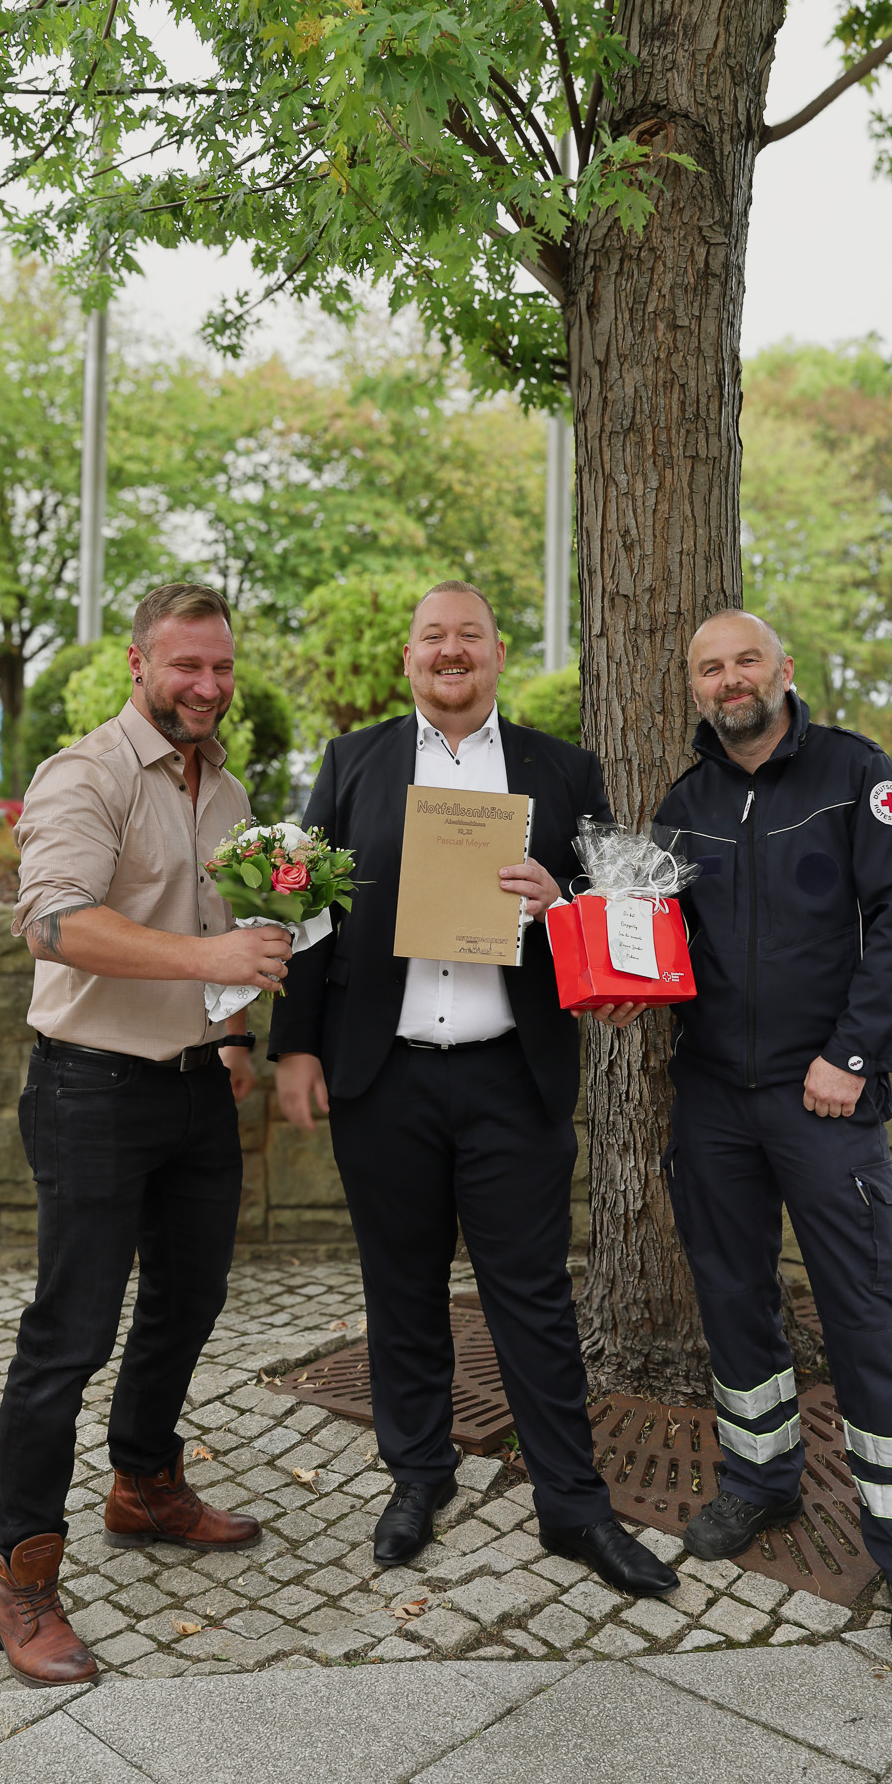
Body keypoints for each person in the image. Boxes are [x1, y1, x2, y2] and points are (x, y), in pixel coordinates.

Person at [270, 580, 678, 1598]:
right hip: (385, 1073)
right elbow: (308, 911)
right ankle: (417, 1475)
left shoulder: (563, 767)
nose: (450, 652)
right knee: (401, 1290)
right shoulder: (351, 762)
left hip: (512, 1072)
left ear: (499, 653)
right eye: (431, 638)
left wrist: (566, 900)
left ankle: (574, 1506)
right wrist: (295, 1047)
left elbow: (615, 904)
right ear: (407, 659)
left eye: (469, 637)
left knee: (532, 1298)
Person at [0, 582, 293, 1687]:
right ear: (138, 664)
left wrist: (237, 1027)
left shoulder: (230, 788)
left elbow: (231, 929)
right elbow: (54, 919)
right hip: (92, 1091)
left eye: (221, 668)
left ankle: (145, 1483)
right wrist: (212, 963)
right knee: (70, 1334)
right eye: (184, 667)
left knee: (190, 1299)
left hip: (196, 1086)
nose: (206, 686)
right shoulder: (88, 772)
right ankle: (22, 1573)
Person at [644, 608, 892, 1665]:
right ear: (695, 688)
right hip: (716, 1102)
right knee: (735, 1302)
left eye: (745, 659)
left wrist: (853, 1055)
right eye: (709, 667)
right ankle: (762, 1483)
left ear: (783, 669)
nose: (730, 679)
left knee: (867, 1314)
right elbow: (653, 941)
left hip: (825, 1098)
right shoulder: (679, 806)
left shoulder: (857, 776)